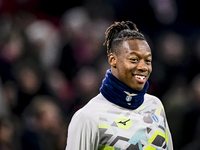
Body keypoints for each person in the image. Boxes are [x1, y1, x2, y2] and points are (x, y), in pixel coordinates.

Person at [65, 21, 173, 150]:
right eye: (134, 60)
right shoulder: (88, 117)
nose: (143, 67)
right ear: (113, 60)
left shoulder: (155, 105)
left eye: (148, 60)